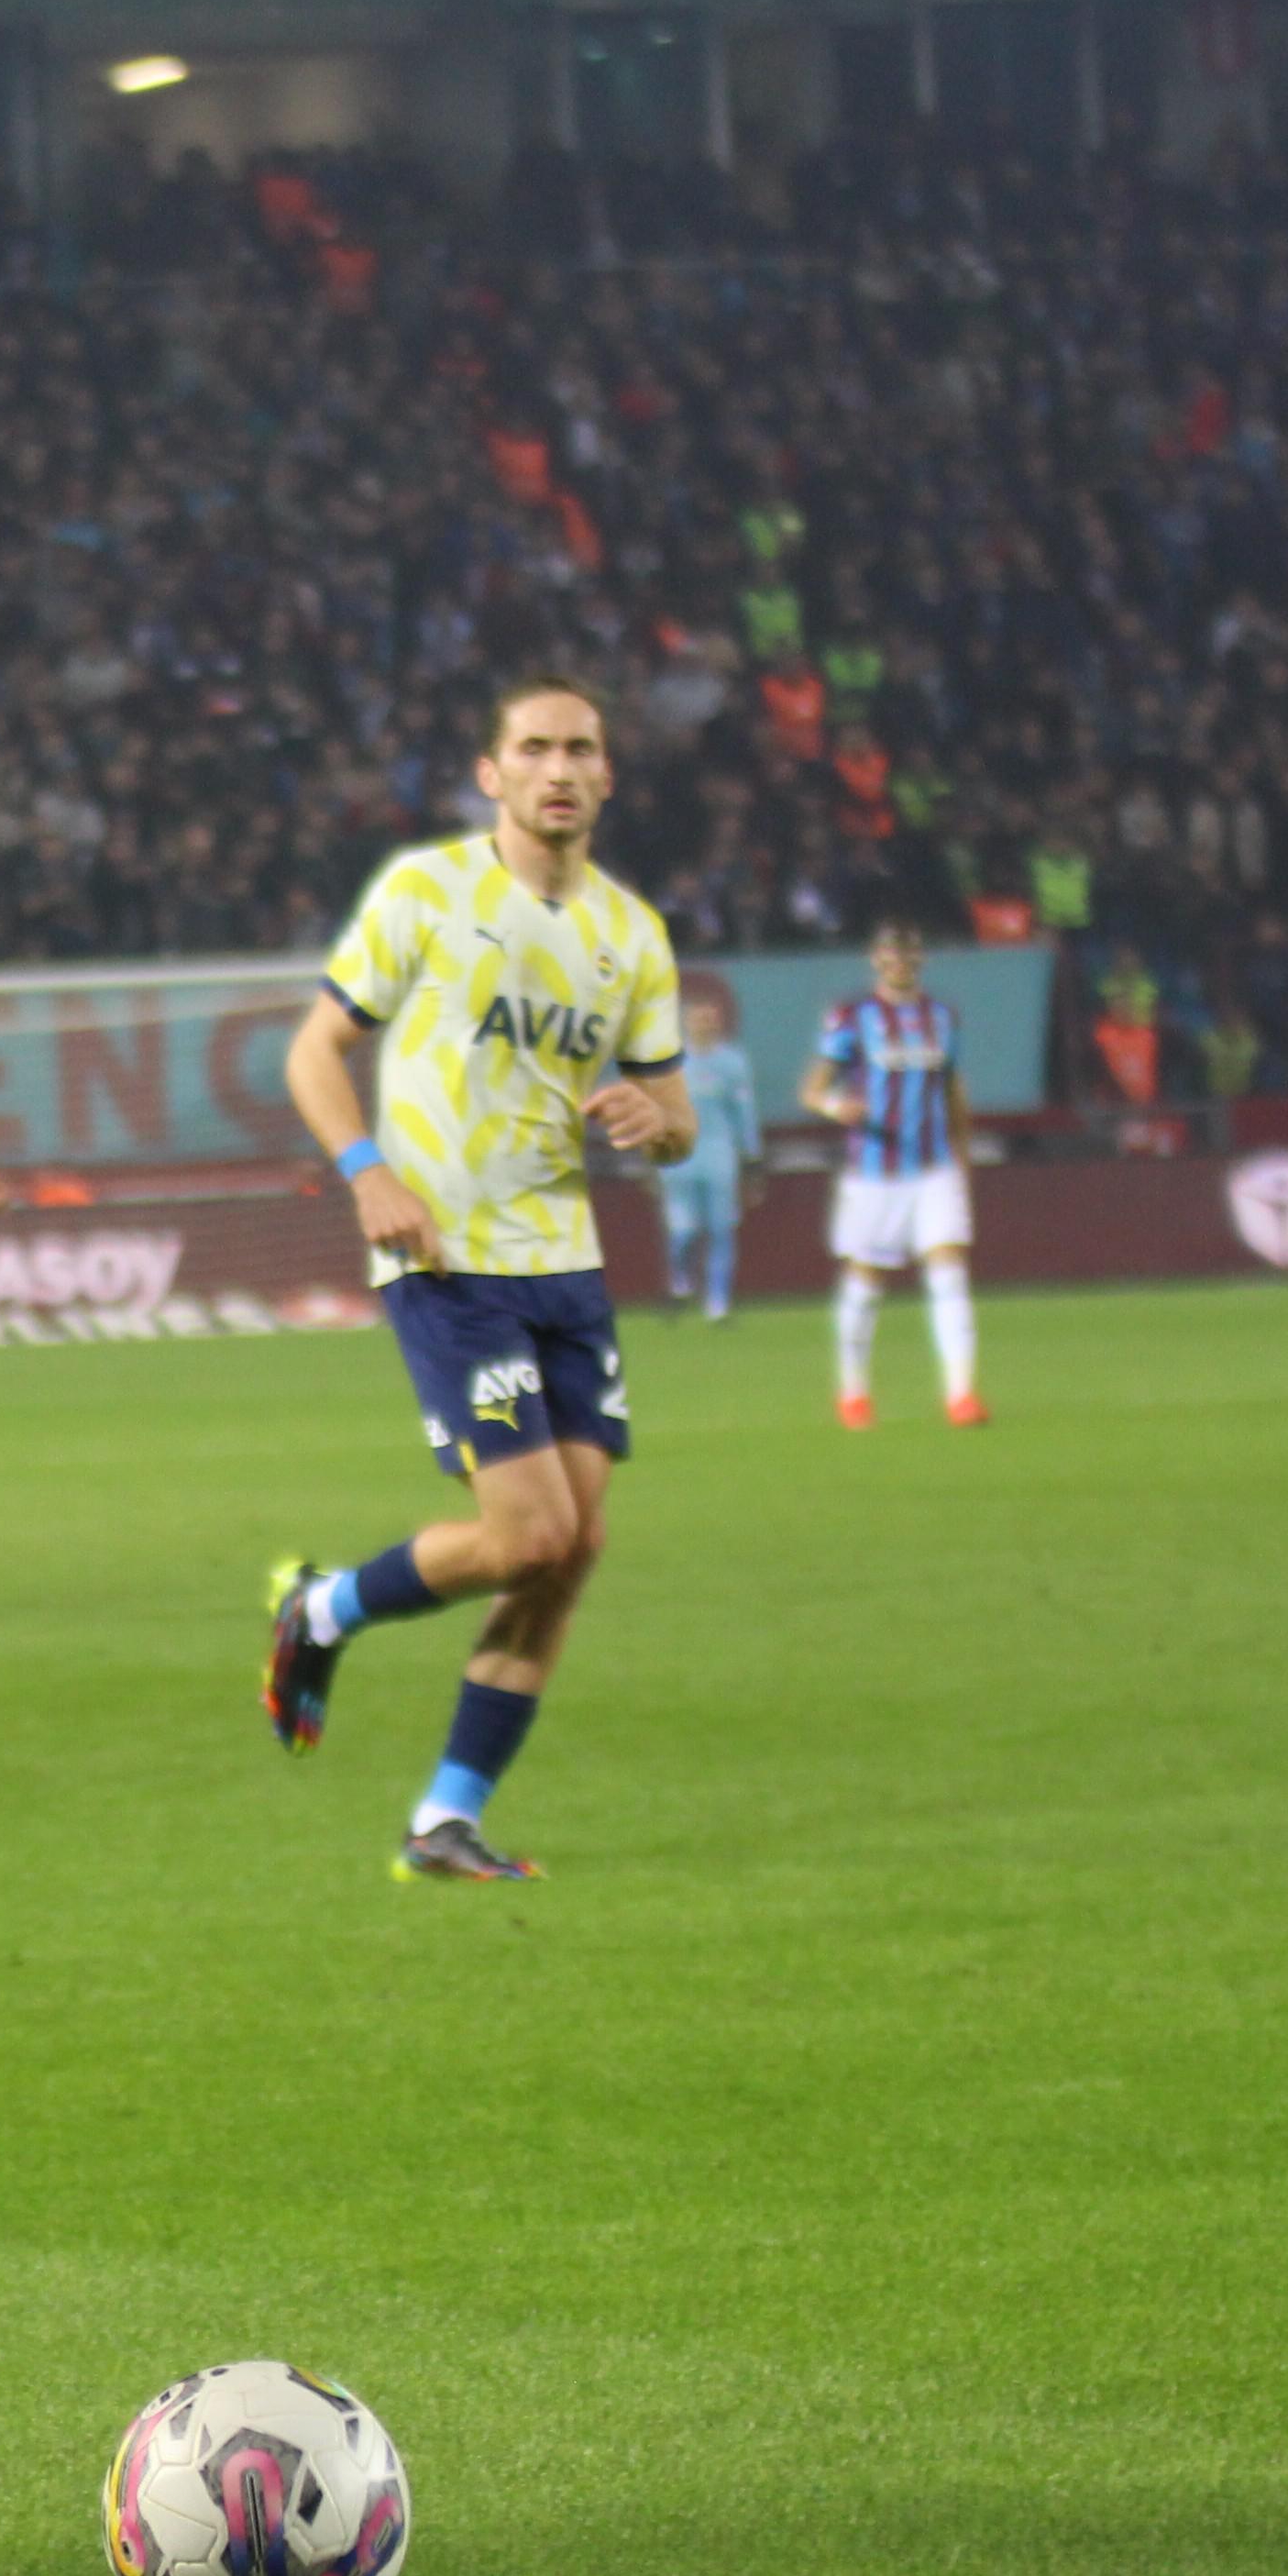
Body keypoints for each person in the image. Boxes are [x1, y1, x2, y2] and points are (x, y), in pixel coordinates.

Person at [258, 677, 691, 1885]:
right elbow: (315, 1051)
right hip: (449, 1259)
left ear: (609, 778)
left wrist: (649, 1118)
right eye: (534, 748)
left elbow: (684, 1123)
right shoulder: (427, 892)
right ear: (490, 774)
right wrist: (365, 1173)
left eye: (582, 750)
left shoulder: (631, 935)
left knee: (575, 1545)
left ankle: (445, 1818)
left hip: (569, 1270)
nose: (559, 768)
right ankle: (325, 1610)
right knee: (530, 1531)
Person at [804, 922, 983, 1429]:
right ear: (876, 959)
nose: (899, 960)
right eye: (890, 952)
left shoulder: (942, 1017)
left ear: (920, 958)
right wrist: (838, 1105)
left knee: (949, 1272)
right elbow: (813, 1089)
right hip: (873, 1172)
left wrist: (963, 1161)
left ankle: (961, 1395)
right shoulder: (853, 1016)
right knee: (865, 1278)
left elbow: (954, 1094)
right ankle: (853, 1392)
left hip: (933, 1168)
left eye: (908, 951)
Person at [653, 988, 760, 1324]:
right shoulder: (670, 1062)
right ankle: (681, 1281)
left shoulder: (732, 1063)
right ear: (687, 1022)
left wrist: (752, 1155)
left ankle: (718, 1304)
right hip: (679, 1156)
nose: (705, 1024)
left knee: (721, 1229)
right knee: (683, 1231)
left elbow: (743, 1111)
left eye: (711, 1018)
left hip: (719, 1154)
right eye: (699, 1018)